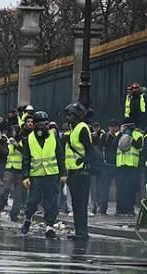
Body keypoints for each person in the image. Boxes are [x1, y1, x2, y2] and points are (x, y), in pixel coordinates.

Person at [21, 111, 66, 238]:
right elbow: (26, 159)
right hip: (36, 176)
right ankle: (28, 218)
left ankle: (49, 226)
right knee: (33, 201)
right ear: (35, 125)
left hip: (51, 175)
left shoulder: (53, 137)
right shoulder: (29, 139)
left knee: (51, 201)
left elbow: (60, 155)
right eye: (40, 125)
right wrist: (25, 176)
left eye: (45, 124)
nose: (43, 127)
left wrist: (63, 173)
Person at [63, 102, 93, 240]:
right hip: (73, 172)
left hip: (81, 172)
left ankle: (83, 232)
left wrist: (85, 161)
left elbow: (90, 150)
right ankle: (78, 231)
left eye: (70, 114)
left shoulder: (82, 128)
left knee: (81, 203)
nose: (67, 117)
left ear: (76, 116)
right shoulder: (72, 129)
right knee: (75, 203)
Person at [115, 117, 143, 215]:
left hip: (132, 166)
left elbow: (138, 146)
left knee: (131, 188)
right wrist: (121, 134)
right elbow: (114, 144)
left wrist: (130, 136)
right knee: (120, 188)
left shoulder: (138, 135)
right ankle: (120, 209)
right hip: (121, 165)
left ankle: (130, 209)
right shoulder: (119, 134)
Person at [0, 124, 25, 221]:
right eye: (12, 130)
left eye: (16, 130)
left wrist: (17, 145)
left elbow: (25, 152)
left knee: (18, 195)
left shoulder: (23, 141)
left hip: (19, 170)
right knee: (4, 190)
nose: (14, 132)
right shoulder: (7, 142)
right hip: (9, 169)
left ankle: (14, 215)